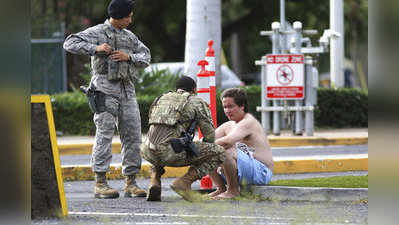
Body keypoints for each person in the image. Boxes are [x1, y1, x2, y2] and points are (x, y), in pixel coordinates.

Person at [63, 0, 150, 199]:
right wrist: (96, 48)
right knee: (104, 135)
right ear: (118, 16)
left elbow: (145, 55)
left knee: (133, 136)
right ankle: (100, 183)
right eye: (128, 16)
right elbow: (69, 43)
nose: (130, 19)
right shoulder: (98, 31)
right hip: (104, 89)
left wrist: (129, 57)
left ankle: (131, 182)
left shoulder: (130, 36)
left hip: (127, 90)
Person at [141, 76, 225, 202]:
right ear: (194, 90)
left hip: (146, 150)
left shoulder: (160, 99)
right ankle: (184, 182)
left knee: (159, 143)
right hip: (170, 152)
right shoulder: (196, 101)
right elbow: (209, 135)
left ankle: (155, 180)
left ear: (176, 90)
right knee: (219, 152)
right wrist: (200, 155)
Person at [209, 88, 274, 199]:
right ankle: (221, 188)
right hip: (244, 171)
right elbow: (207, 140)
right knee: (205, 151)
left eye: (231, 106)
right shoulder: (228, 125)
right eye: (225, 107)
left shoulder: (248, 122)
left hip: (261, 173)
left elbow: (227, 142)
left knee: (224, 149)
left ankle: (233, 191)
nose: (227, 111)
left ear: (242, 106)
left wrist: (203, 146)